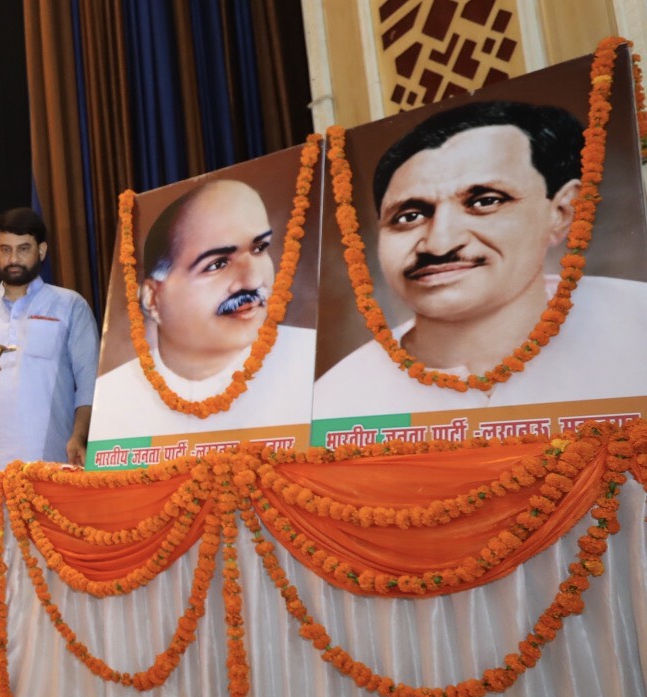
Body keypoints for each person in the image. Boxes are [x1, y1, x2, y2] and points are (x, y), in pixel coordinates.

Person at [315, 99, 647, 415]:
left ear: (561, 212)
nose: (439, 243)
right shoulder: (341, 395)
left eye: (485, 201)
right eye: (409, 216)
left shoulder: (635, 323)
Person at [0, 208, 98, 697]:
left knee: (45, 576)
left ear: (42, 252)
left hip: (50, 465)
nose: (14, 259)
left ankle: (48, 695)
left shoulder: (68, 305)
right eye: (5, 249)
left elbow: (89, 381)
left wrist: (79, 436)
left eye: (24, 249)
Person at [87, 180, 316, 441]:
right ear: (153, 299)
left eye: (259, 248)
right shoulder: (118, 395)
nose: (252, 280)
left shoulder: (312, 365)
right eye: (217, 264)